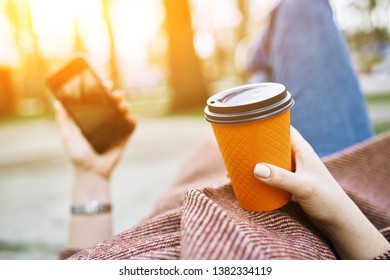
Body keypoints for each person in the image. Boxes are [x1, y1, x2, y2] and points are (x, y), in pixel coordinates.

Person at [55, 0, 390, 260]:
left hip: (205, 172)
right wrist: (336, 209)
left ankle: (259, 63)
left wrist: (92, 175)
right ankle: (260, 58)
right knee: (299, 9)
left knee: (261, 79)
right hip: (321, 182)